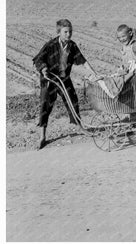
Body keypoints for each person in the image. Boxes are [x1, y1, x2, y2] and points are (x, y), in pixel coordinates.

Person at [33, 19, 97, 150]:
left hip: (64, 78)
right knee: (45, 104)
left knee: (73, 101)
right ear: (59, 32)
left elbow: (83, 60)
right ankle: (42, 136)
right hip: (50, 80)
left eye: (70, 31)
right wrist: (44, 68)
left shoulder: (72, 45)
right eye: (66, 32)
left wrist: (93, 73)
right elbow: (38, 59)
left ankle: (79, 127)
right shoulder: (50, 45)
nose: (68, 34)